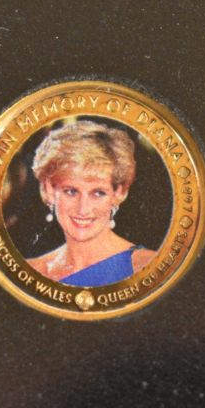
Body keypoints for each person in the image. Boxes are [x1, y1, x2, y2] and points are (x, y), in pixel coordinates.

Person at [27, 120, 155, 286]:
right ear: (49, 190)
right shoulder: (30, 271)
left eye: (98, 193)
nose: (83, 209)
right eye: (71, 191)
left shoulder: (148, 266)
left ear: (119, 193)